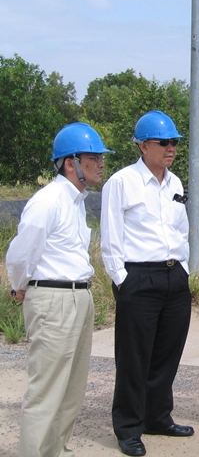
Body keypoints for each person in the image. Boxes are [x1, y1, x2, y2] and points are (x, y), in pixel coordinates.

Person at [6, 122, 113, 457]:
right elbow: (21, 253)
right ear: (71, 163)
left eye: (101, 158)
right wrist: (19, 287)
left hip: (78, 296)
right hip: (53, 298)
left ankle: (56, 450)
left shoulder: (76, 201)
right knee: (46, 391)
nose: (101, 164)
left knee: (71, 390)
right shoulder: (49, 200)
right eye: (94, 158)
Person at [100, 110, 193, 457]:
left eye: (175, 142)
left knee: (167, 354)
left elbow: (181, 229)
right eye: (163, 142)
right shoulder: (122, 182)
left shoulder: (175, 183)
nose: (171, 148)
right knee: (133, 358)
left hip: (173, 276)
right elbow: (111, 236)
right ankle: (128, 428)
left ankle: (157, 417)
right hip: (138, 277)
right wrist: (122, 279)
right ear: (142, 146)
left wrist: (183, 269)